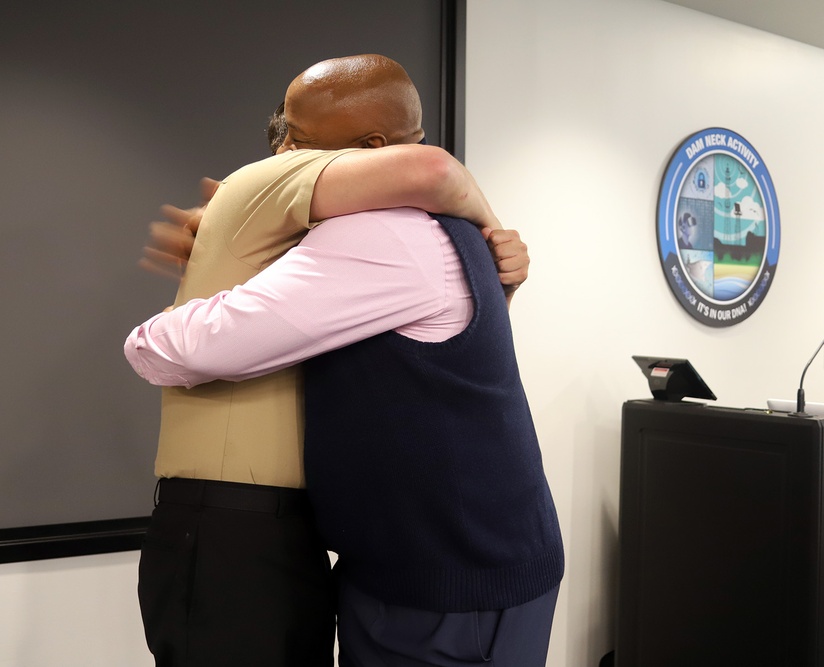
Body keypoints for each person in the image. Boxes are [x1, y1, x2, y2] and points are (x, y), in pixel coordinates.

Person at [126, 54, 562, 667]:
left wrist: (210, 270)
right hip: (415, 565)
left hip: (447, 584)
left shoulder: (386, 235)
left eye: (299, 142)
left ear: (375, 148)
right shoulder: (421, 230)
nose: (282, 156)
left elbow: (179, 349)